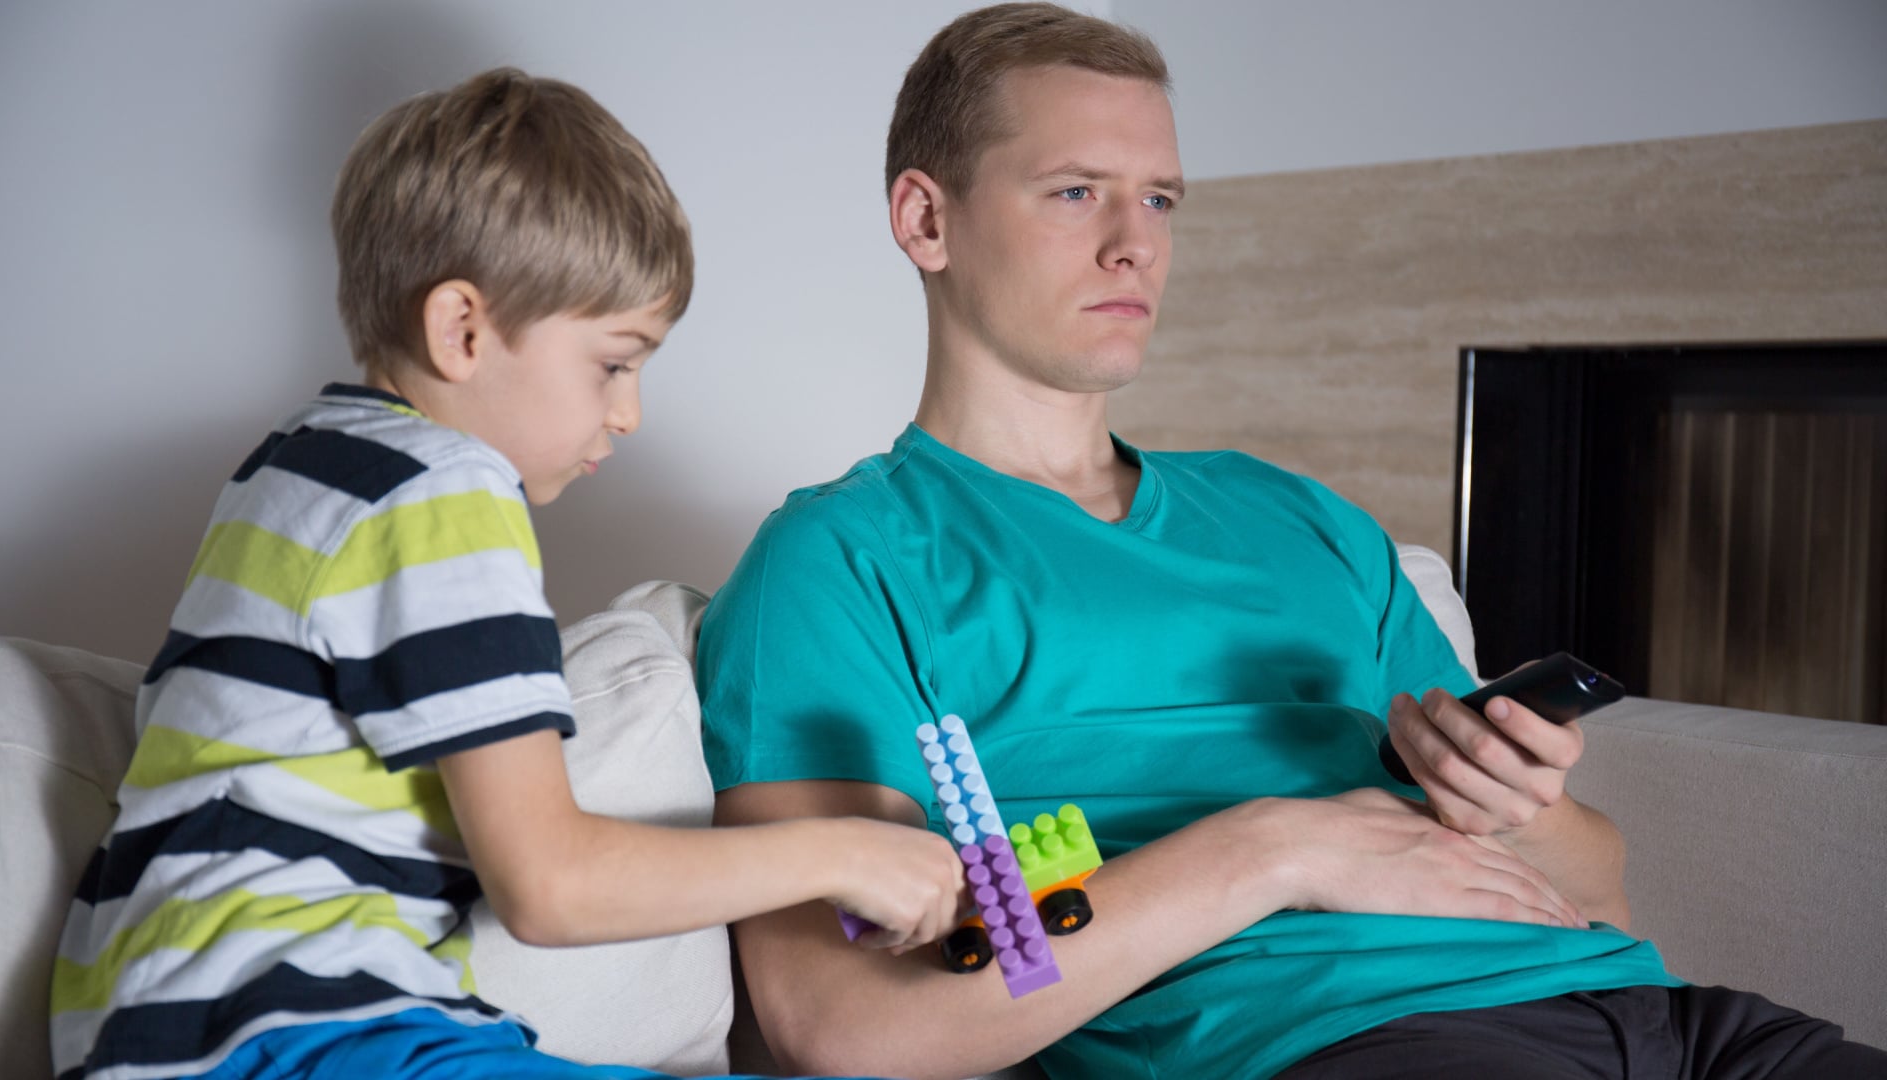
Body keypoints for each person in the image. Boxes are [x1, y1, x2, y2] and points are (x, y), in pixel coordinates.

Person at [695, 6, 1887, 1079]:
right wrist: (1277, 849)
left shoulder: (1299, 517)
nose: (1135, 244)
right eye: (1074, 191)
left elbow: (1604, 890)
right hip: (1343, 1043)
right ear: (925, 218)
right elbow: (843, 1027)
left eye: (1159, 199)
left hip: (1669, 1019)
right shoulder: (837, 565)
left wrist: (1513, 804)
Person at [48, 67, 964, 1080]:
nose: (628, 413)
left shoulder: (299, 466)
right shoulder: (445, 495)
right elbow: (551, 885)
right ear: (463, 330)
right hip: (283, 1036)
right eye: (614, 363)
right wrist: (846, 852)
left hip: (180, 1032)